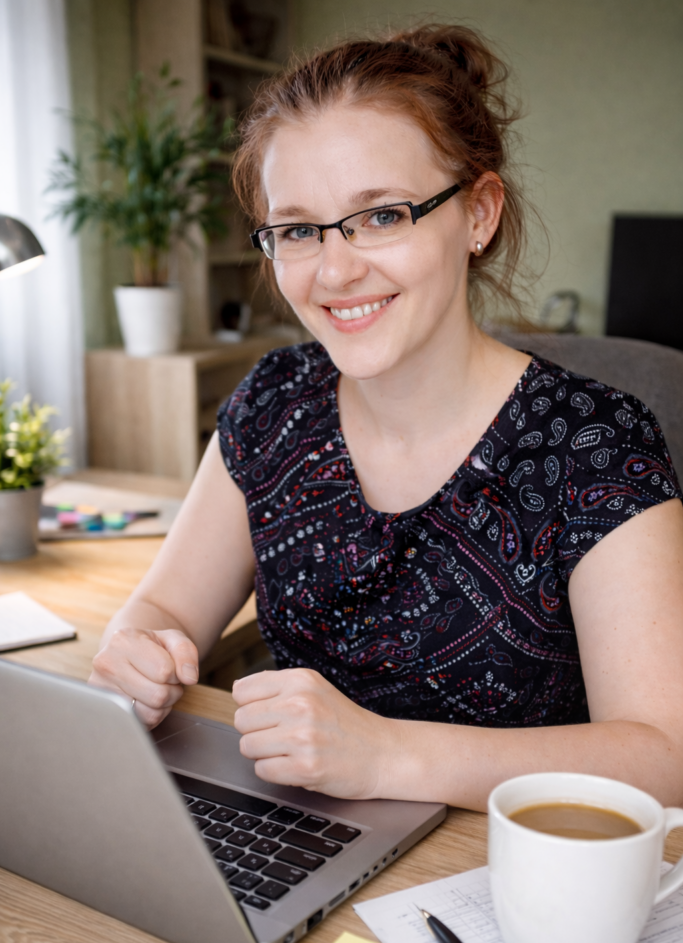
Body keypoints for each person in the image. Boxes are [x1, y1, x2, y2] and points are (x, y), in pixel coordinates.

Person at [89, 25, 683, 811]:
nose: (335, 270)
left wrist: (386, 756)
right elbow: (163, 610)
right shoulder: (273, 402)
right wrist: (134, 652)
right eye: (298, 230)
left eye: (381, 216)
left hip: (508, 883)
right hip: (294, 839)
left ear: (478, 213)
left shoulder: (595, 444)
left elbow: (663, 753)